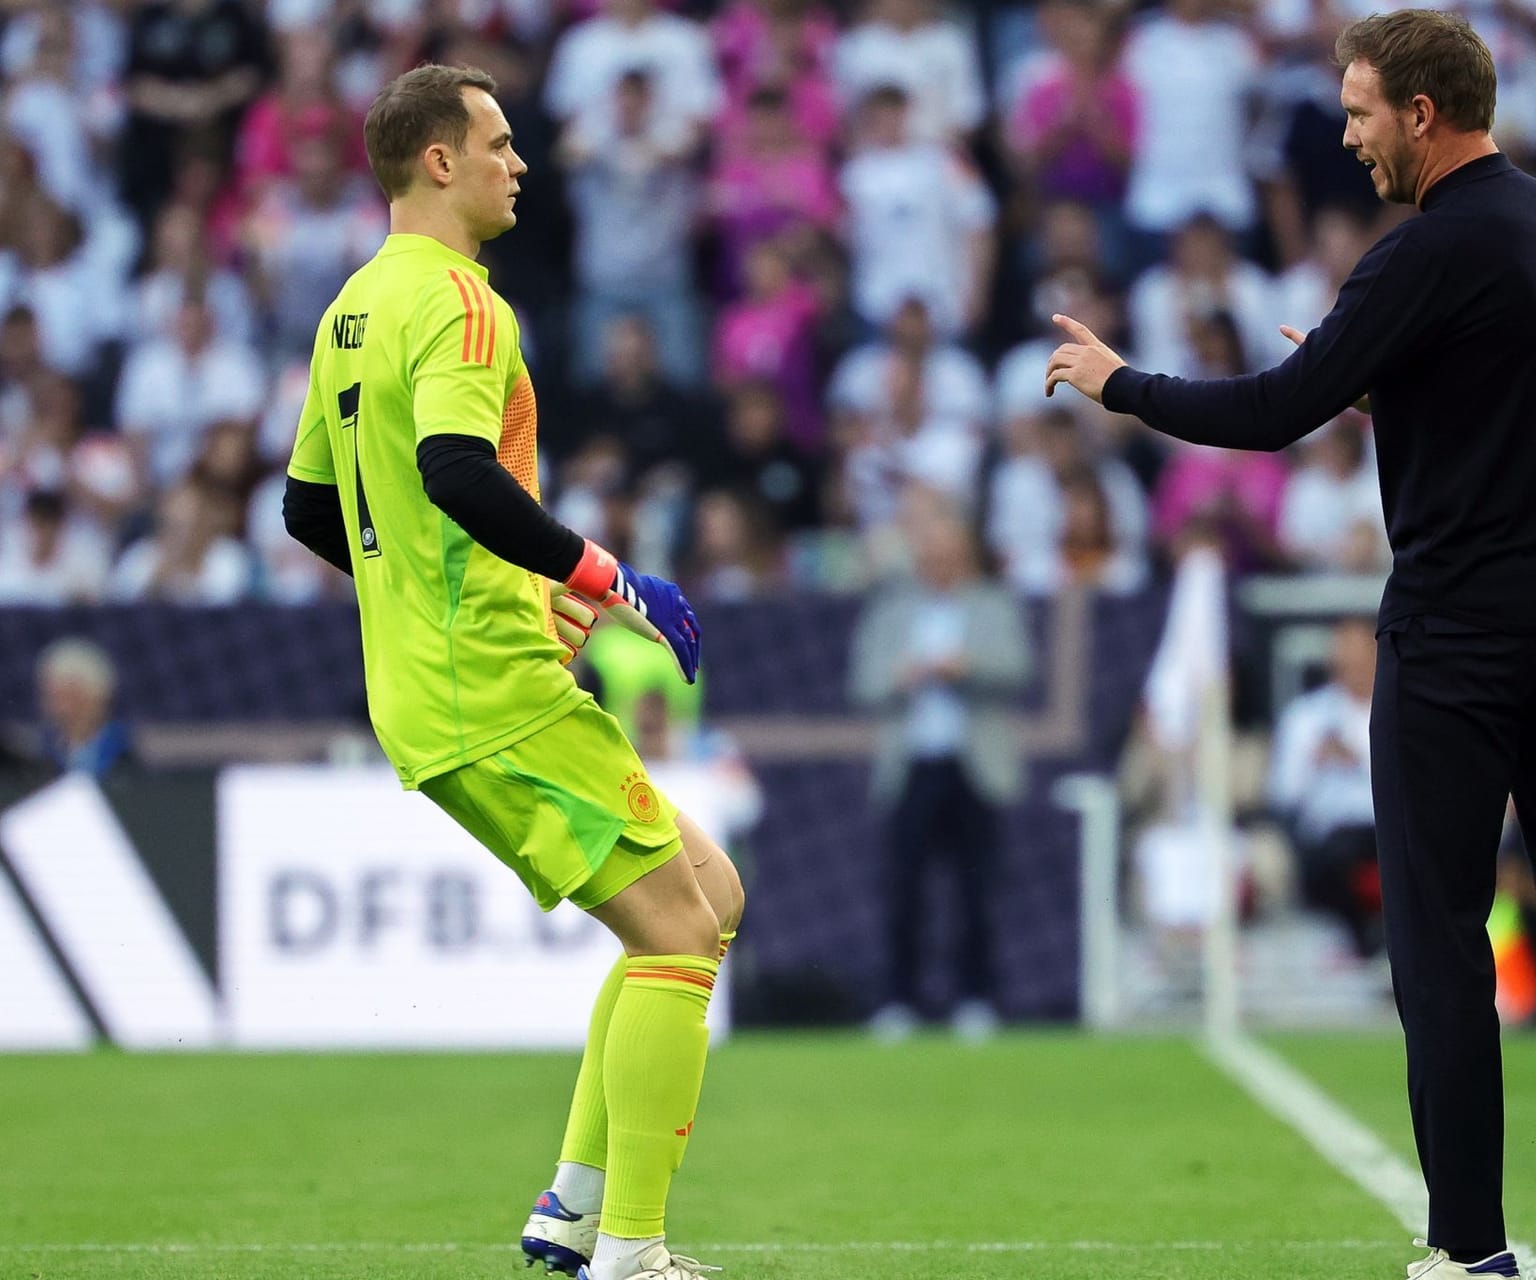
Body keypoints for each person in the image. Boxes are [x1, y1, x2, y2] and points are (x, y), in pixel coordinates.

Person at [1044, 13, 1536, 1280]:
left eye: (1357, 111)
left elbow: (1271, 416)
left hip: (1459, 637)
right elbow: (1506, 407)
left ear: (1421, 112)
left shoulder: (1423, 253)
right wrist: (1380, 386)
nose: (1344, 137)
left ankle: (1468, 1251)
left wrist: (1123, 380)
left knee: (1443, 941)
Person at [277, 65, 741, 1280]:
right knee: (681, 938)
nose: (519, 162)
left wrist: (429, 595)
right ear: (441, 161)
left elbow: (309, 508)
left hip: (433, 684)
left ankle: (574, 1204)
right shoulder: (467, 306)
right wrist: (604, 579)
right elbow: (455, 470)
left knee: (712, 893)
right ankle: (632, 1252)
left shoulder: (353, 311)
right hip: (492, 682)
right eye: (499, 141)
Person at [849, 494, 1034, 1043]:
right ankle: (900, 999)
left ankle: (976, 998)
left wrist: (966, 668)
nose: (939, 561)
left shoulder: (992, 605)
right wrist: (903, 676)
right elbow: (865, 682)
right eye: (930, 551)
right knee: (904, 888)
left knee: (977, 889)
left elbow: (1019, 666)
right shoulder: (893, 610)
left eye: (949, 551)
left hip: (973, 763)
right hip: (912, 763)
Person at [1268, 616, 1382, 960]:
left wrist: (1359, 761)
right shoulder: (1307, 717)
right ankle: (1364, 945)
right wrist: (1314, 761)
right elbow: (1283, 792)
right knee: (1336, 858)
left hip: (1392, 828)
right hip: (1334, 838)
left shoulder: (1404, 712)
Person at [35, 637, 135, 778]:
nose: (56, 698)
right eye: (51, 691)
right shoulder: (37, 755)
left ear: (97, 694)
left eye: (70, 687)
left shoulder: (127, 751)